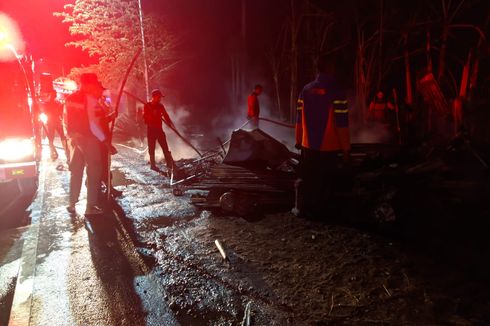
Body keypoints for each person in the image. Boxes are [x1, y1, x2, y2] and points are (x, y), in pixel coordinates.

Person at [294, 55, 351, 218]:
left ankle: (309, 210)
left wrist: (298, 140)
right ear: (330, 68)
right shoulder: (337, 92)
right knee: (326, 182)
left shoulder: (305, 90)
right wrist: (346, 149)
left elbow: (298, 118)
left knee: (310, 179)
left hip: (308, 145)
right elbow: (342, 123)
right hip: (329, 147)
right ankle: (323, 212)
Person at [64, 73, 108, 216]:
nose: (96, 86)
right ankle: (91, 206)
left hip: (75, 140)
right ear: (88, 84)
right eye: (94, 84)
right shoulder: (90, 99)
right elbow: (93, 125)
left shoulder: (70, 98)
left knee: (76, 171)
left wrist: (72, 135)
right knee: (94, 170)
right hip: (89, 139)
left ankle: (72, 203)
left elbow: (65, 120)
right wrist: (105, 140)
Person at [38, 73, 69, 161]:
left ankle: (66, 152)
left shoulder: (56, 103)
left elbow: (61, 112)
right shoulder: (47, 104)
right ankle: (53, 152)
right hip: (51, 123)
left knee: (62, 137)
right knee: (51, 139)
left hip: (57, 122)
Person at [143, 89, 175, 173]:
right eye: (159, 97)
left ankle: (169, 164)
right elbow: (145, 119)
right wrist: (152, 116)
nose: (160, 99)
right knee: (151, 147)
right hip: (151, 130)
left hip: (159, 130)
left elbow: (166, 115)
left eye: (160, 97)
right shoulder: (147, 106)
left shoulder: (160, 106)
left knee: (165, 146)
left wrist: (170, 124)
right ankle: (153, 165)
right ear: (154, 97)